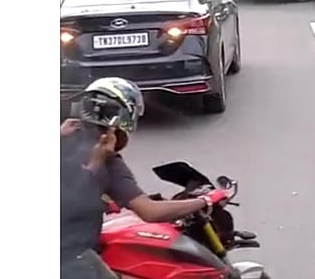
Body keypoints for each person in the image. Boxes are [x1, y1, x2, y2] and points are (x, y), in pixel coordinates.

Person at [60, 77, 231, 279]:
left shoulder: (63, 138)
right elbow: (150, 212)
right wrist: (204, 200)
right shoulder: (108, 162)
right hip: (69, 256)